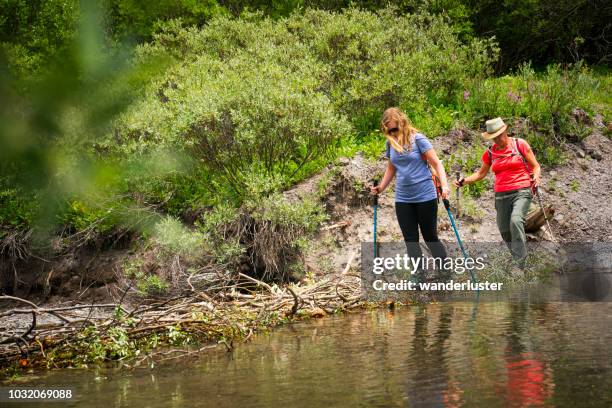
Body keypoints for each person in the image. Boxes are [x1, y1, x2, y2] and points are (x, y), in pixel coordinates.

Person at [370, 107, 450, 280]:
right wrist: (381, 188)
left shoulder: (418, 140)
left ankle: (444, 269)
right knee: (410, 239)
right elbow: (392, 167)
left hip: (425, 195)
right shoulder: (390, 143)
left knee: (430, 236)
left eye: (394, 129)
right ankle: (418, 274)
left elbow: (437, 164)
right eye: (388, 130)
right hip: (403, 198)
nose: (392, 133)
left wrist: (444, 186)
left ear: (402, 123)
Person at [453, 117, 541, 268]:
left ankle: (521, 264)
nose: (498, 140)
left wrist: (537, 177)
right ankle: (519, 261)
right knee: (504, 230)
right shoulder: (490, 153)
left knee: (515, 221)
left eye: (500, 135)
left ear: (506, 131)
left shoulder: (519, 144)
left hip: (522, 190)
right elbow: (480, 174)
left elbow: (535, 166)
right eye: (494, 137)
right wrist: (464, 180)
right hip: (501, 195)